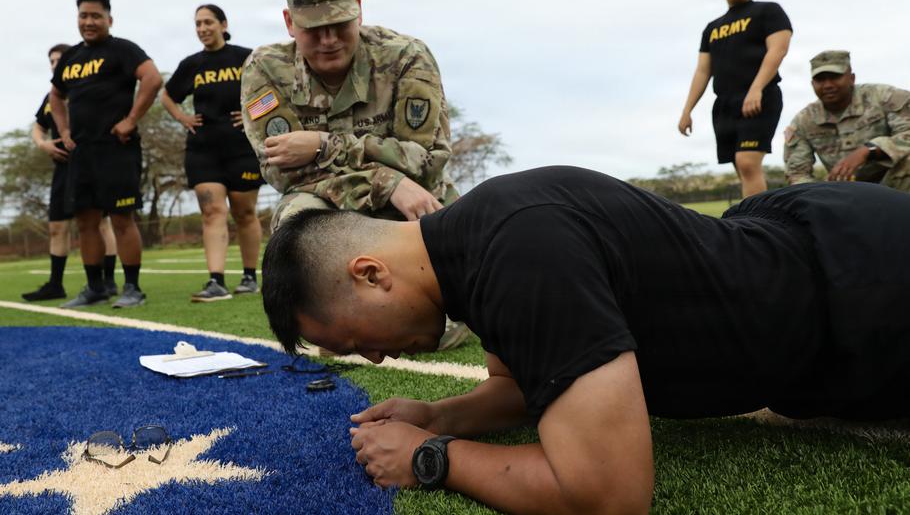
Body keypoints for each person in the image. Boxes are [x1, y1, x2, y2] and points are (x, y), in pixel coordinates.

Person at [261, 166, 910, 514]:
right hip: (803, 246)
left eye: (354, 342)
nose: (375, 360)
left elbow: (608, 497)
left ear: (370, 275)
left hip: (868, 285)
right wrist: (438, 413)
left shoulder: (520, 255)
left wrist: (434, 455)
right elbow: (523, 385)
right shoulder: (475, 241)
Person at [241, 0, 466, 350]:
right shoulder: (265, 70)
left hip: (410, 210)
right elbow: (284, 173)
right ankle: (333, 320)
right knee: (297, 216)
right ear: (290, 23)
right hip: (332, 217)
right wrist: (384, 179)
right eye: (314, 28)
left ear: (358, 10)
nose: (329, 40)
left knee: (436, 334)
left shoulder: (405, 56)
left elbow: (427, 162)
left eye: (339, 24)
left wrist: (323, 145)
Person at [50, 0, 163, 308]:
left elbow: (152, 79)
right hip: (81, 152)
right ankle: (95, 287)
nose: (89, 21)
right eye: (83, 15)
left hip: (116, 148)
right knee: (85, 221)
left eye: (95, 16)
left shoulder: (122, 50)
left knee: (121, 218)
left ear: (108, 19)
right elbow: (55, 97)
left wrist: (130, 120)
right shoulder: (70, 57)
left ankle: (132, 287)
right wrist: (63, 130)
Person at [161, 4, 263, 302]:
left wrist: (250, 116)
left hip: (242, 149)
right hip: (203, 149)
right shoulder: (191, 64)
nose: (203, 28)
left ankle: (249, 277)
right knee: (212, 211)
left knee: (244, 212)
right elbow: (168, 96)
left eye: (208, 22)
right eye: (198, 24)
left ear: (223, 24)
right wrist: (183, 118)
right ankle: (216, 281)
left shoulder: (246, 57)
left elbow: (273, 94)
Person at [678, 0, 792, 198]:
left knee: (748, 162)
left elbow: (778, 50)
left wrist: (756, 88)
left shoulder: (769, 11)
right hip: (725, 104)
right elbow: (702, 71)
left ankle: (756, 224)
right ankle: (756, 214)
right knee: (740, 167)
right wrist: (687, 110)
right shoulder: (712, 28)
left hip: (759, 97)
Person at [22, 44, 119, 302]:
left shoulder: (86, 90)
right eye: (51, 61)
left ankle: (107, 281)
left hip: (90, 164)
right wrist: (43, 144)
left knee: (100, 222)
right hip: (62, 170)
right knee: (57, 227)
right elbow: (38, 127)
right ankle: (56, 284)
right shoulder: (50, 97)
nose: (55, 64)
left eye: (60, 60)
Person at [784, 50, 910, 190]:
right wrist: (819, 197)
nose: (828, 85)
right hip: (845, 192)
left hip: (894, 185)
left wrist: (869, 150)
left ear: (852, 78)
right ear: (812, 84)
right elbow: (797, 173)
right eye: (820, 80)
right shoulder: (803, 121)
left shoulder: (885, 97)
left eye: (835, 77)